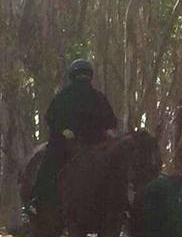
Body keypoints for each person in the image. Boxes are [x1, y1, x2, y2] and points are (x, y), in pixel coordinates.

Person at [30, 59, 120, 213]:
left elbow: (110, 121)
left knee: (118, 166)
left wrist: (109, 132)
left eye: (85, 74)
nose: (82, 78)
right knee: (51, 160)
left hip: (95, 144)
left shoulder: (98, 98)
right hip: (67, 143)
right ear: (73, 76)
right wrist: (63, 130)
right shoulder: (64, 96)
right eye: (80, 74)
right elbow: (51, 117)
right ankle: (38, 200)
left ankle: (121, 205)